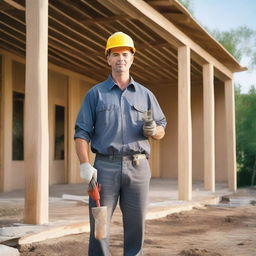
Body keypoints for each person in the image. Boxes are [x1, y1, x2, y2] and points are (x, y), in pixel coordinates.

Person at [74, 31, 167, 256]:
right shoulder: (95, 94)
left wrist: (155, 131)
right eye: (115, 54)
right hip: (105, 168)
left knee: (136, 227)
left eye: (125, 54)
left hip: (138, 168)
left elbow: (162, 128)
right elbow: (81, 132)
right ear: (108, 59)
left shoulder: (145, 95)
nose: (120, 59)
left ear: (132, 58)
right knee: (100, 224)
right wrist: (85, 164)